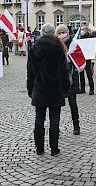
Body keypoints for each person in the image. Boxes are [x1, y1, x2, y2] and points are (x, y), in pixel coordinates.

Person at [27, 23, 70, 156]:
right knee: (54, 119)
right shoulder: (58, 49)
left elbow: (30, 72)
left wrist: (30, 88)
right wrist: (66, 89)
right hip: (55, 88)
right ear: (53, 34)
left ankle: (39, 148)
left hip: (39, 88)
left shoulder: (34, 49)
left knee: (39, 118)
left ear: (41, 33)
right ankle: (54, 148)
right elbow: (64, 71)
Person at [56, 24, 81, 135]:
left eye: (63, 32)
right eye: (59, 33)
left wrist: (63, 46)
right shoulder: (55, 44)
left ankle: (76, 126)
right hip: (58, 78)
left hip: (71, 77)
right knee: (57, 105)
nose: (61, 35)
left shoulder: (73, 43)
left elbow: (71, 59)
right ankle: (56, 127)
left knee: (73, 104)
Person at [78, 25, 95, 95]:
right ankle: (82, 89)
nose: (84, 30)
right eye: (83, 29)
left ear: (88, 29)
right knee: (81, 75)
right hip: (81, 58)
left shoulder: (91, 37)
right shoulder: (79, 36)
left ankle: (91, 89)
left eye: (86, 29)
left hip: (87, 58)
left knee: (89, 74)